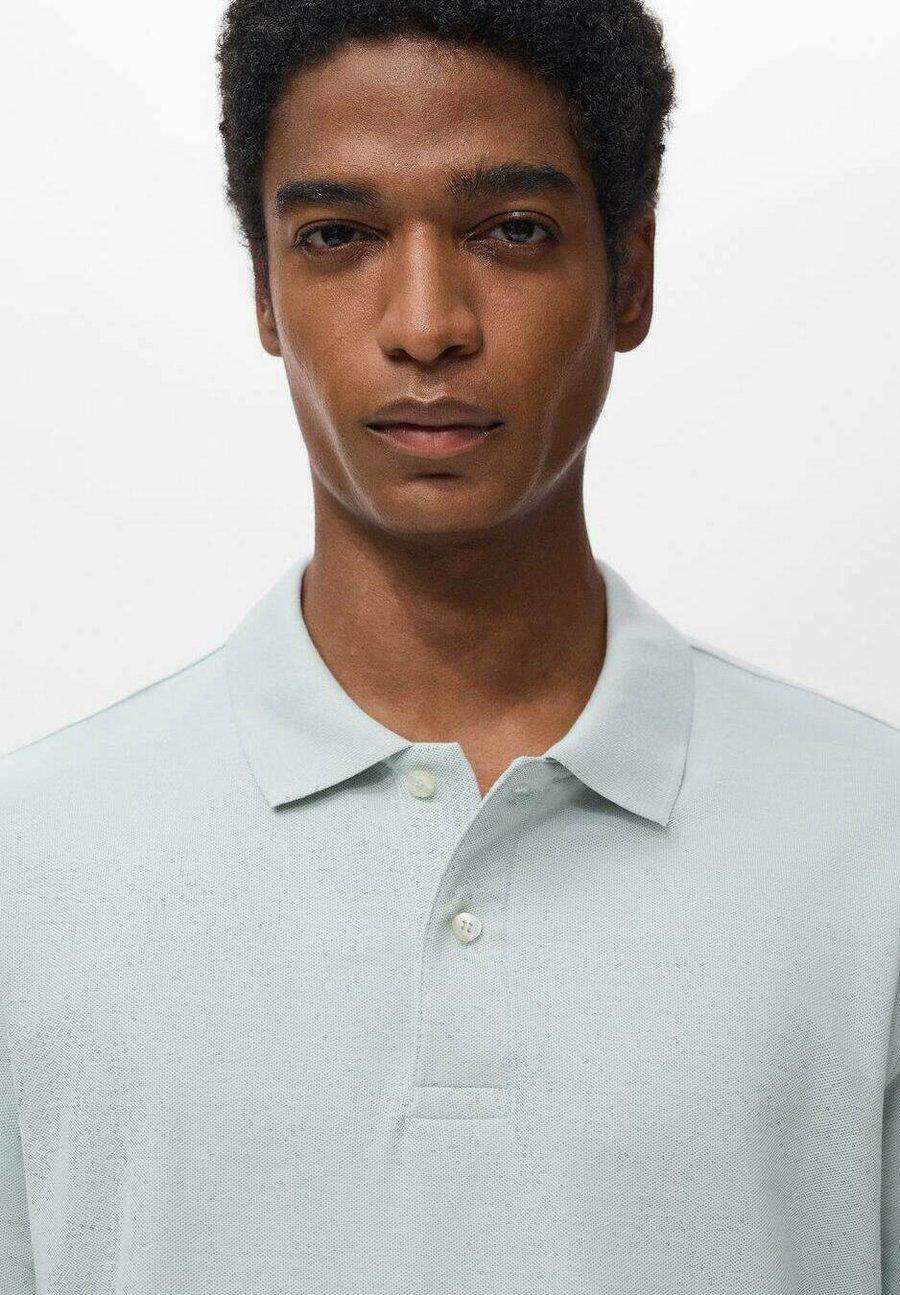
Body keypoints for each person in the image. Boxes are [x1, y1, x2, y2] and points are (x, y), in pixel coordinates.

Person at [2, 1, 899, 1291]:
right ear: (264, 291)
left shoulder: (873, 848)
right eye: (339, 237)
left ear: (629, 277)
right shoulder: (30, 868)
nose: (426, 324)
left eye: (511, 231)